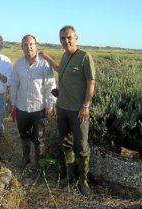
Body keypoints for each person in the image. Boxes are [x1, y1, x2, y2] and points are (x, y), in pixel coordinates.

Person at [43, 25, 96, 196]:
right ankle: (69, 176)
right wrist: (46, 56)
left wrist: (86, 106)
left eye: (69, 37)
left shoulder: (84, 57)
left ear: (76, 37)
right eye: (62, 38)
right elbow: (60, 69)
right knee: (66, 144)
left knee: (81, 146)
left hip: (78, 111)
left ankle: (83, 181)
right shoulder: (65, 56)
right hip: (62, 108)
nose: (66, 41)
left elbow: (91, 83)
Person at [10, 34, 56, 168]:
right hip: (21, 107)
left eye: (31, 44)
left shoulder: (44, 63)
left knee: (39, 138)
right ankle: (26, 159)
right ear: (22, 47)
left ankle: (39, 165)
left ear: (36, 46)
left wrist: (50, 103)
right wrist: (13, 103)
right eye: (25, 45)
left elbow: (50, 85)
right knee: (23, 135)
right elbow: (14, 84)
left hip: (39, 107)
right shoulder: (18, 64)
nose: (28, 47)